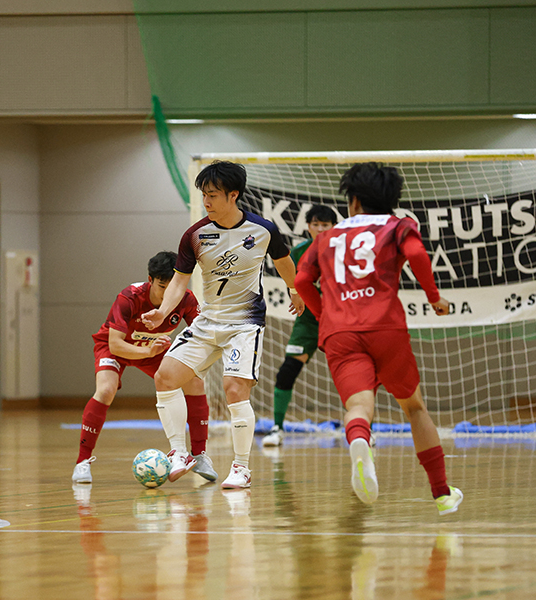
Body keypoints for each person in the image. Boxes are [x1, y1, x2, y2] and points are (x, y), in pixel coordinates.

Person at [295, 162, 464, 515]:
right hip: (386, 328)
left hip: (340, 333)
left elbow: (301, 281)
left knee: (358, 408)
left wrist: (325, 315)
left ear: (354, 201)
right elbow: (416, 254)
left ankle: (360, 442)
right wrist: (434, 297)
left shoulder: (326, 237)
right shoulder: (398, 225)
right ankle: (441, 494)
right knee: (414, 408)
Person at [142, 160, 304, 489]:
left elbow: (284, 262)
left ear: (234, 195)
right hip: (207, 321)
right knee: (165, 377)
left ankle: (241, 467)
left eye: (213, 195)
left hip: (244, 324)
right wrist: (162, 312)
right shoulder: (195, 235)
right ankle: (179, 453)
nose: (206, 201)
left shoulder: (263, 230)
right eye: (203, 195)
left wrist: (295, 289)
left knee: (234, 388)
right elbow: (179, 280)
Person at [72, 251, 217, 485]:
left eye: (173, 287)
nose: (167, 293)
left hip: (153, 351)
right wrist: (147, 352)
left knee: (194, 381)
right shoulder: (129, 297)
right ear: (150, 280)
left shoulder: (186, 299)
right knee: (106, 390)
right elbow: (115, 344)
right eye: (162, 286)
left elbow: (202, 336)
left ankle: (199, 455)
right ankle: (82, 461)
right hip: (117, 349)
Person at [262, 204, 337, 447]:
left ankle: (366, 430)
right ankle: (277, 427)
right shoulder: (299, 252)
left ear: (334, 227)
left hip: (338, 320)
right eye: (316, 224)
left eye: (325, 225)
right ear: (308, 227)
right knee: (287, 371)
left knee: (353, 372)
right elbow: (292, 284)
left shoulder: (343, 250)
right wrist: (295, 295)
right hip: (308, 322)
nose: (320, 229)